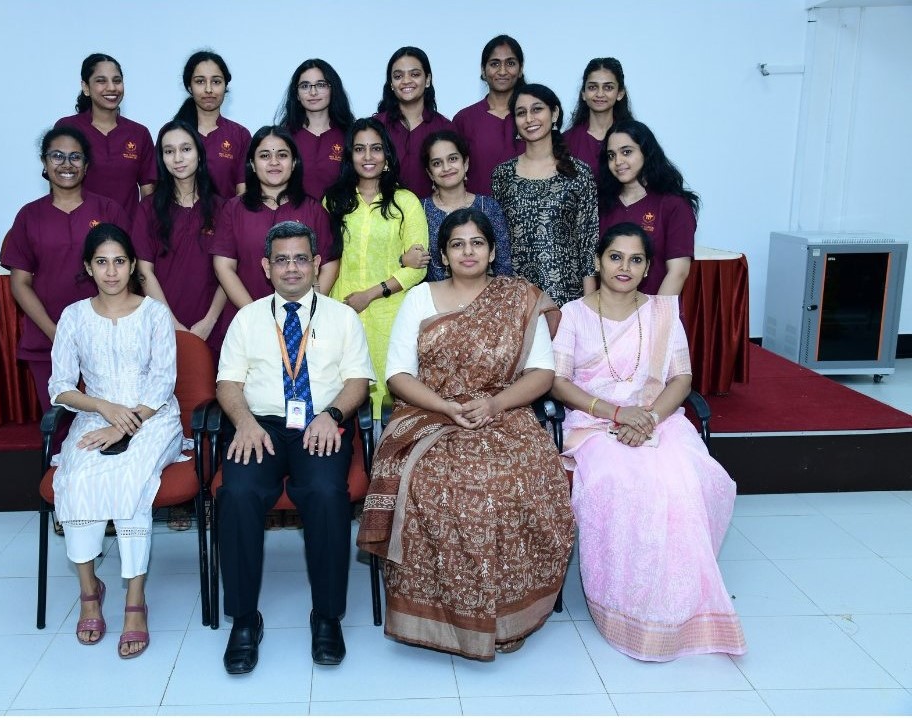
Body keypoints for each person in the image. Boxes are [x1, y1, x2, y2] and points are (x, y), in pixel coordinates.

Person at [358, 208, 574, 659]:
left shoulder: (519, 297)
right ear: (443, 255)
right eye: (457, 244)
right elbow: (398, 373)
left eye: (477, 243)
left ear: (492, 251)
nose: (468, 252)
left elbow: (542, 372)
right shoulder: (420, 298)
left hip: (504, 410)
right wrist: (446, 407)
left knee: (516, 478)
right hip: (430, 413)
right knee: (432, 482)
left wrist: (494, 404)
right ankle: (440, 613)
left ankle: (509, 615)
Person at [550, 222, 746, 662]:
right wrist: (617, 414)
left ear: (646, 268)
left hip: (659, 419)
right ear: (598, 262)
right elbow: (559, 382)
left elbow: (681, 378)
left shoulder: (662, 312)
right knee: (623, 483)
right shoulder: (574, 314)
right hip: (594, 424)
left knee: (692, 480)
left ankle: (681, 603)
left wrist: (650, 418)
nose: (625, 267)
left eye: (635, 260)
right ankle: (628, 606)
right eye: (615, 257)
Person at [215, 220, 374, 674]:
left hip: (321, 422)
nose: (291, 268)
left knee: (325, 493)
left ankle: (327, 616)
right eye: (281, 259)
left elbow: (357, 381)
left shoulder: (342, 317)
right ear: (266, 267)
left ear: (317, 263)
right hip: (260, 424)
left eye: (301, 258)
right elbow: (228, 384)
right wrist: (244, 422)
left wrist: (333, 415)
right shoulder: (247, 319)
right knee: (238, 494)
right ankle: (244, 619)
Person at [49, 223, 186, 660]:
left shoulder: (154, 314)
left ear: (133, 266)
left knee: (129, 480)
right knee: (77, 479)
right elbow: (60, 387)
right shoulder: (73, 316)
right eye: (102, 262)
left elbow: (163, 381)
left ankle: (135, 599)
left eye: (120, 262)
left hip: (153, 416)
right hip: (95, 414)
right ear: (89, 267)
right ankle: (89, 591)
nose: (111, 272)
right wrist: (103, 408)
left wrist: (126, 423)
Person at [1, 126, 130, 412]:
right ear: (44, 162)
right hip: (46, 338)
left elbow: (126, 274)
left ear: (86, 165)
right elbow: (20, 283)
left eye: (75, 157)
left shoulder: (109, 211)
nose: (66, 164)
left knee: (109, 422)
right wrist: (56, 333)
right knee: (58, 428)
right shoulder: (29, 216)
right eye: (57, 156)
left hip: (106, 339)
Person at [324, 117, 428, 420]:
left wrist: (370, 294)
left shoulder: (405, 201)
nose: (368, 156)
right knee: (339, 392)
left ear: (387, 155)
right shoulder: (334, 201)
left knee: (389, 401)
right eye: (359, 149)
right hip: (341, 310)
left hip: (390, 313)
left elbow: (418, 268)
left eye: (376, 148)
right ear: (350, 156)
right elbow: (324, 258)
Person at [210, 125, 339, 340]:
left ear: (294, 162)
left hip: (303, 325)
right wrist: (257, 315)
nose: (274, 162)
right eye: (264, 156)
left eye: (282, 155)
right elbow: (223, 267)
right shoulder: (233, 209)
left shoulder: (314, 209)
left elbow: (329, 265)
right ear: (252, 164)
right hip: (247, 324)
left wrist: (305, 309)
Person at [492, 83, 599, 307]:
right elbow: (497, 241)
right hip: (515, 297)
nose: (529, 119)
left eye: (537, 109)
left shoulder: (578, 172)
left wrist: (587, 306)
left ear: (555, 113)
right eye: (521, 113)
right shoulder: (503, 174)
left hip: (567, 296)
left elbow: (588, 242)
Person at [132, 119, 225, 354]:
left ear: (199, 154)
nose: (178, 158)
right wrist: (172, 325)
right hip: (160, 326)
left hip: (213, 327)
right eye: (168, 151)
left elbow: (229, 271)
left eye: (185, 149)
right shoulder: (148, 209)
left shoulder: (222, 208)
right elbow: (144, 272)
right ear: (161, 159)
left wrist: (209, 321)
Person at [598, 119, 699, 295]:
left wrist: (655, 312)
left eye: (626, 152)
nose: (618, 161)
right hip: (606, 309)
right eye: (611, 155)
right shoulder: (602, 204)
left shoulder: (674, 205)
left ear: (646, 152)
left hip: (656, 307)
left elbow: (678, 272)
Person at [55, 53, 156, 219]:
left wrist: (142, 230)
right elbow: (58, 187)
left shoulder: (139, 133)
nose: (111, 88)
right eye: (101, 81)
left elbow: (148, 193)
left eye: (117, 81)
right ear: (86, 87)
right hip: (79, 229)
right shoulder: (68, 128)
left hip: (126, 232)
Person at [420, 130, 511, 281]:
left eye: (453, 159)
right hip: (435, 294)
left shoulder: (488, 207)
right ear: (430, 173)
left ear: (466, 163)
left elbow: (503, 266)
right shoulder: (419, 209)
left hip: (486, 294)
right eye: (437, 163)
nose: (446, 167)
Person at [373, 46, 453, 199]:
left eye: (415, 74)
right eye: (398, 76)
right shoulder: (376, 127)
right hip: (383, 211)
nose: (406, 81)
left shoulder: (445, 128)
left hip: (432, 211)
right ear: (391, 84)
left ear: (427, 79)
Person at [452, 35, 526, 195]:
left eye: (510, 63)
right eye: (494, 64)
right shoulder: (465, 119)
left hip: (529, 209)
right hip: (477, 209)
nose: (502, 71)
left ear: (520, 69)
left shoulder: (532, 118)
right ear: (483, 70)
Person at [175, 50, 251, 198]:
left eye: (216, 82)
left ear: (225, 86)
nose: (208, 89)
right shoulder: (172, 134)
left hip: (227, 213)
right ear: (189, 87)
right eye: (200, 81)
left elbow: (243, 193)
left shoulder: (240, 135)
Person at [278, 58, 355, 201]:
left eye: (321, 85)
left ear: (333, 89)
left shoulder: (350, 135)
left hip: (341, 214)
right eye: (305, 86)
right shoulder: (283, 137)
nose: (313, 92)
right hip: (293, 214)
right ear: (297, 94)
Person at [563, 58, 634, 174]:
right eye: (592, 87)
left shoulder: (635, 137)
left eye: (608, 87)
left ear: (620, 93)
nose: (600, 94)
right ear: (583, 94)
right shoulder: (567, 140)